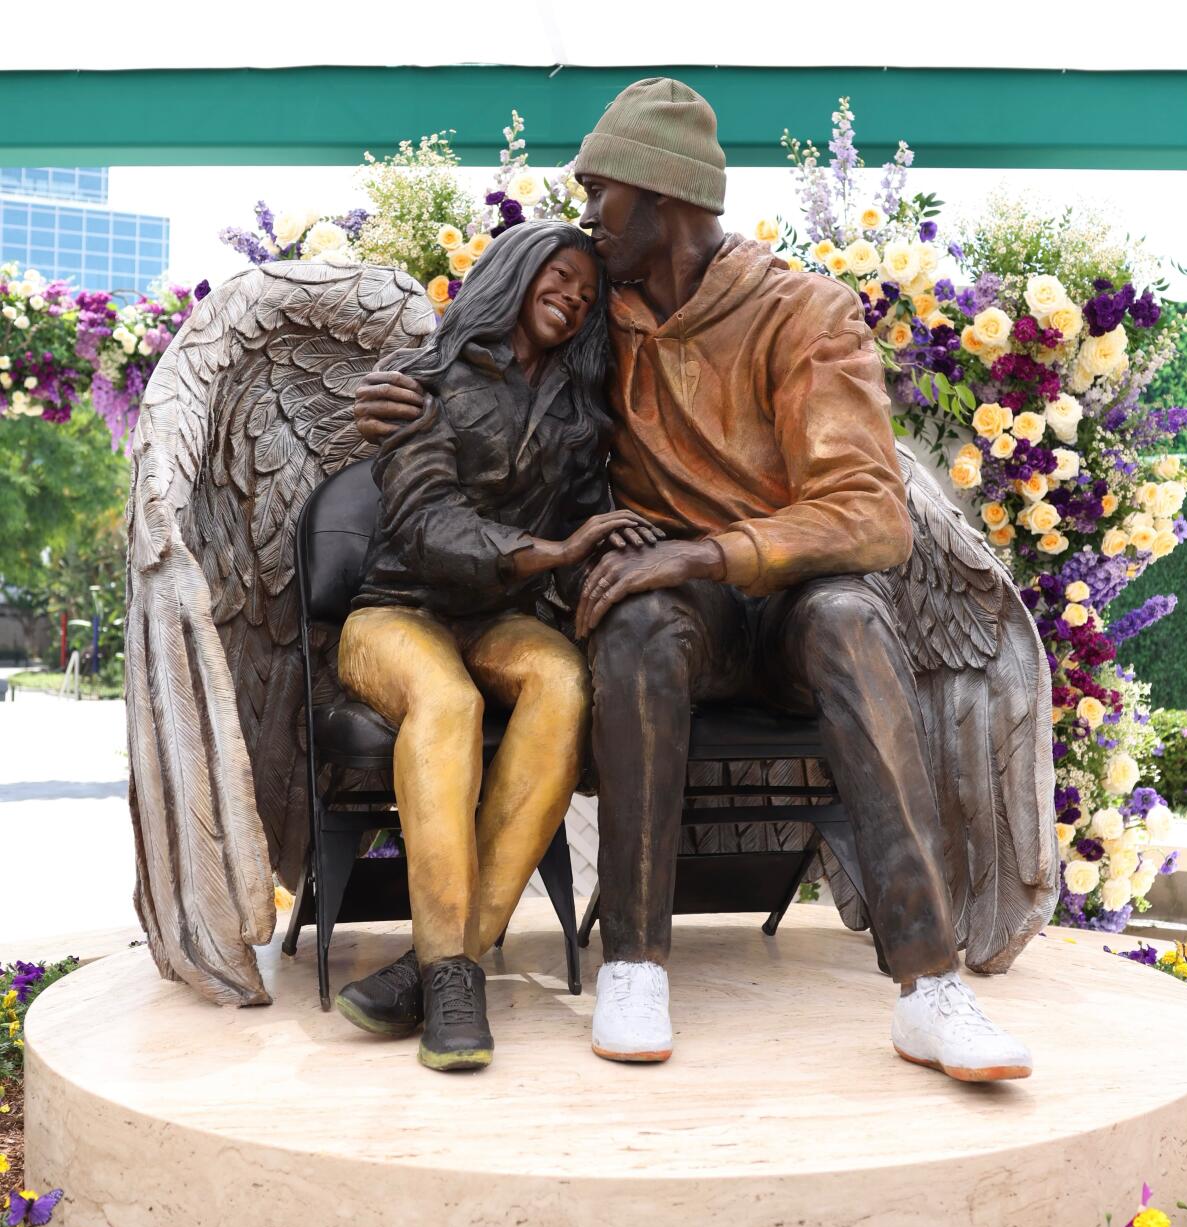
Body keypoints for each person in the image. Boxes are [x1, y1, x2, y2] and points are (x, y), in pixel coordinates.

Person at [353, 80, 1035, 1085]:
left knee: (850, 617)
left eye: (600, 193)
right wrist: (406, 387)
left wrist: (699, 550)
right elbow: (494, 354)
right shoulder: (599, 321)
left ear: (658, 197)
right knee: (633, 621)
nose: (586, 214)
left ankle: (930, 990)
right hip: (687, 618)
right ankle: (632, 962)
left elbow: (869, 514)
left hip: (800, 600)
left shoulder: (805, 313)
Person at [336, 220, 657, 1073]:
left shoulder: (578, 414)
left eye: (588, 294)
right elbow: (428, 522)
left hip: (495, 618)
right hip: (393, 611)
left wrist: (614, 562)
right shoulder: (421, 379)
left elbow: (593, 519)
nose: (575, 297)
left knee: (563, 680)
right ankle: (452, 973)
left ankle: (443, 968)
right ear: (517, 271)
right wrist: (553, 551)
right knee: (448, 701)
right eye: (560, 276)